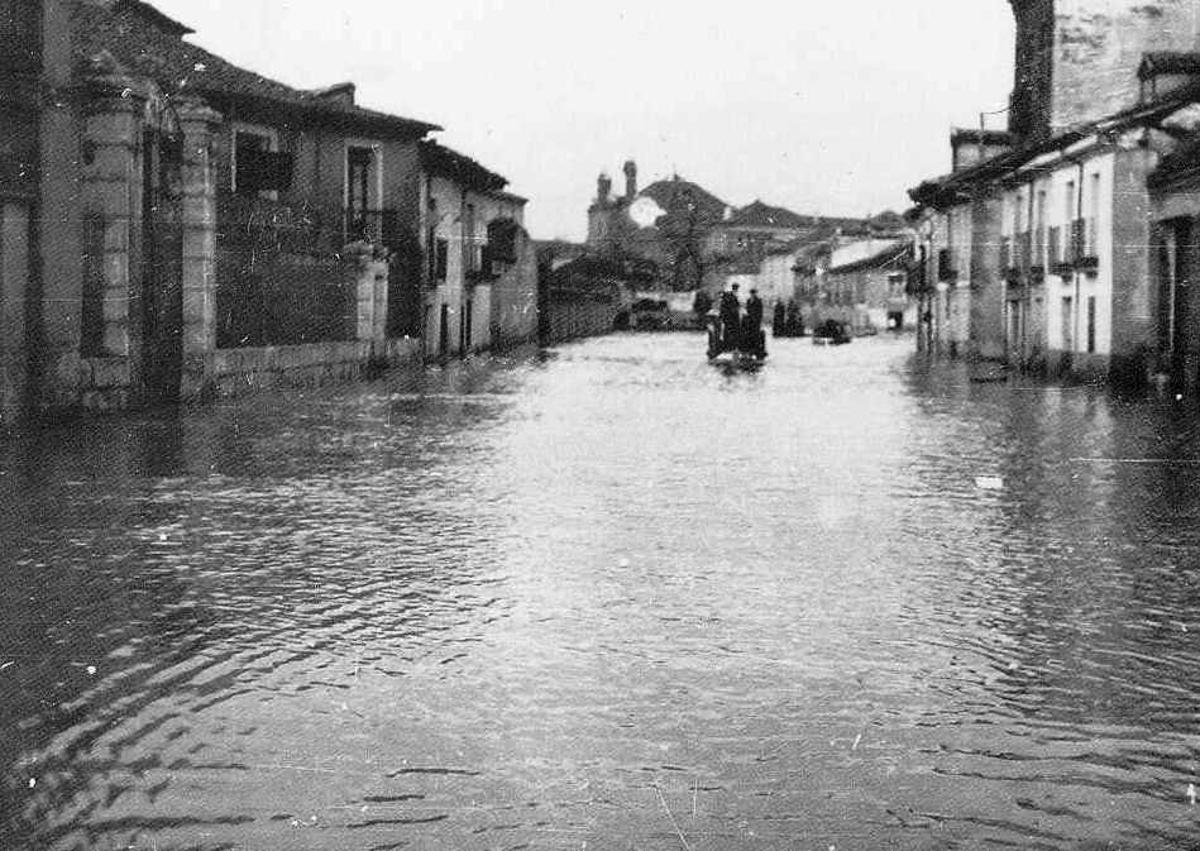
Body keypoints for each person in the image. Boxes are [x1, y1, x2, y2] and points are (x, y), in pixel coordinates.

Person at [719, 283, 742, 350]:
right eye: (736, 289)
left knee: (733, 331)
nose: (736, 290)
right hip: (729, 317)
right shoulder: (729, 295)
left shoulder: (733, 295)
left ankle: (733, 345)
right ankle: (729, 345)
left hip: (733, 317)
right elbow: (725, 306)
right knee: (729, 331)